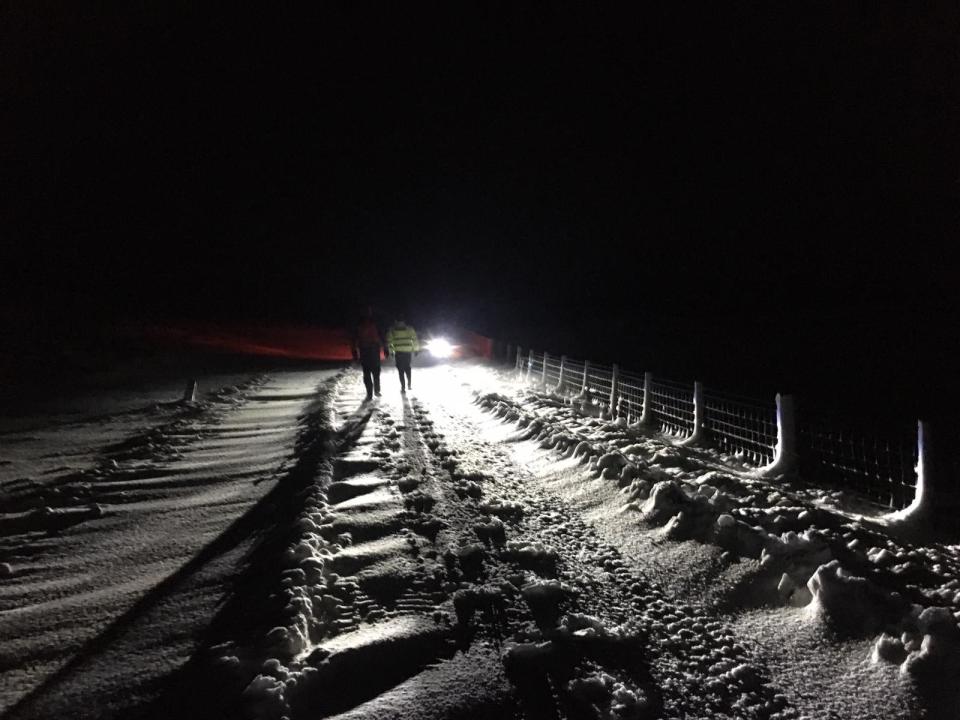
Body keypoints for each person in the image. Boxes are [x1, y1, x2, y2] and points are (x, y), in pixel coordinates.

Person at [353, 308, 387, 401]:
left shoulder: (358, 325)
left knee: (367, 372)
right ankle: (376, 390)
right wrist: (385, 348)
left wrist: (354, 352)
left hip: (364, 350)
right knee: (376, 372)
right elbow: (382, 336)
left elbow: (354, 339)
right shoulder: (376, 323)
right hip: (374, 350)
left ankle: (369, 393)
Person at [386, 316, 420, 392]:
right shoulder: (409, 329)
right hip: (407, 352)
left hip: (398, 353)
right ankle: (409, 384)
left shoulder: (392, 330)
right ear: (404, 321)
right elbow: (414, 339)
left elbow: (390, 342)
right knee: (407, 367)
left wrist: (391, 351)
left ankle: (403, 387)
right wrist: (416, 349)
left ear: (396, 321)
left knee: (400, 370)